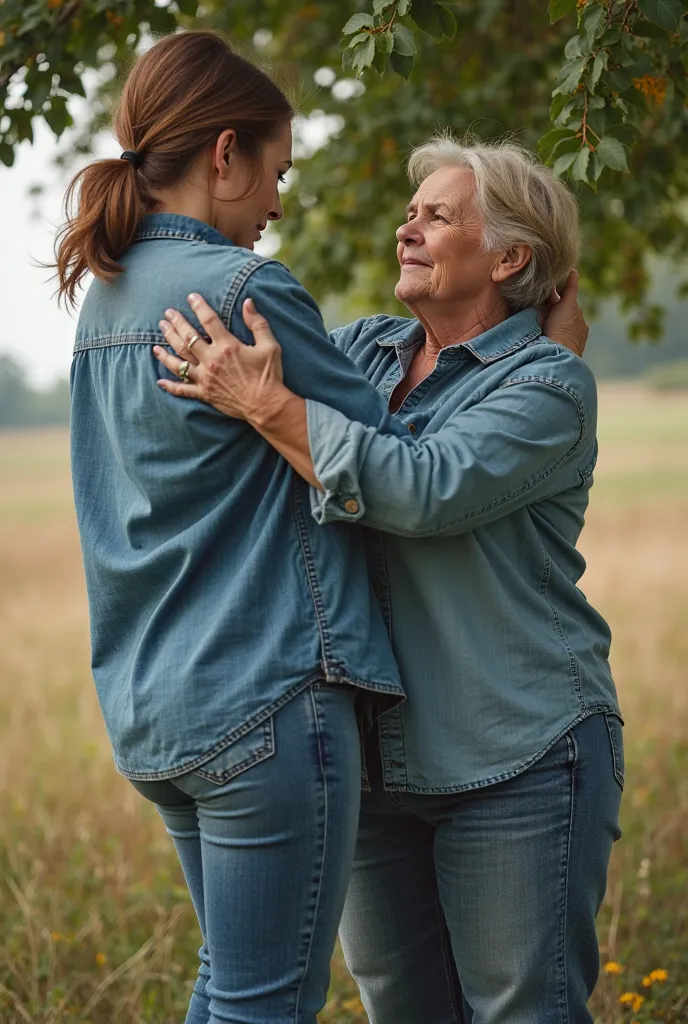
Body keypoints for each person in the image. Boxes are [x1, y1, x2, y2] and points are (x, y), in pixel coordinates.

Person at [154, 137, 623, 1024]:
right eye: (411, 212)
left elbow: (422, 487)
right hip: (370, 764)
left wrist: (268, 405)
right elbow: (248, 379)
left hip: (516, 753)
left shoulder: (550, 387)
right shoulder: (365, 350)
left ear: (510, 257)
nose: (407, 228)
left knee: (523, 1010)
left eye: (437, 216)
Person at [56, 30, 416, 1024]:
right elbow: (391, 448)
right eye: (275, 170)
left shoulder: (104, 302)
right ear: (224, 153)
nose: (278, 204)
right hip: (265, 707)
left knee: (231, 987)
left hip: (156, 713)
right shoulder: (245, 291)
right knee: (265, 1005)